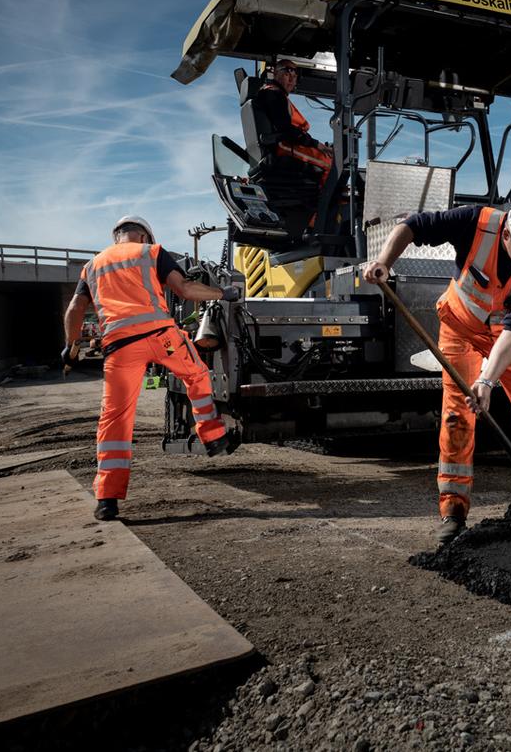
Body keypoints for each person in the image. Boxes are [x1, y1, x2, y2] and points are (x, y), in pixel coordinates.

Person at [364, 196, 511, 545]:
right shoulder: (475, 222)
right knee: (456, 417)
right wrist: (384, 261)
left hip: (506, 338)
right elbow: (412, 226)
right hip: (459, 329)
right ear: (508, 235)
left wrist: (487, 380)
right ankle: (453, 512)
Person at [62, 216, 241, 521]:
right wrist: (223, 294)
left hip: (120, 348)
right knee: (196, 374)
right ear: (143, 236)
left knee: (115, 419)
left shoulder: (93, 266)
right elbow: (184, 288)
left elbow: (75, 309)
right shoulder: (152, 253)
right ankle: (212, 436)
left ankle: (107, 499)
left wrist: (71, 347)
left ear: (116, 236)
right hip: (161, 337)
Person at [253, 59, 333, 187]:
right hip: (282, 146)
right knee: (331, 164)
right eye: (287, 74)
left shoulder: (271, 94)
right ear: (275, 74)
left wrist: (315, 144)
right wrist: (316, 144)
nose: (291, 80)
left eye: (294, 77)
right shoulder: (273, 95)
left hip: (284, 143)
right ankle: (325, 206)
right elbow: (286, 130)